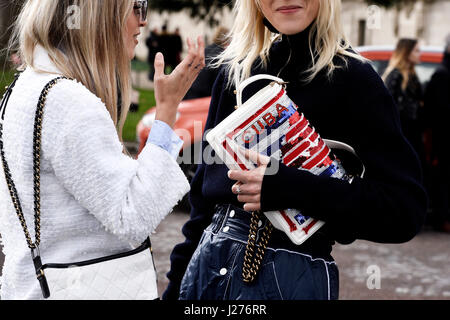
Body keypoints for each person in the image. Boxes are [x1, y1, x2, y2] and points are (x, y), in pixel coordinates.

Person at [163, 0, 427, 300]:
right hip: (205, 276)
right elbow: (202, 208)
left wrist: (291, 188)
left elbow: (404, 211)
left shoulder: (354, 79)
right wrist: (174, 289)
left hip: (292, 278)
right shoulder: (235, 72)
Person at [0, 0, 204, 300]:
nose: (142, 21)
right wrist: (167, 113)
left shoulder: (26, 87)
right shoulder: (68, 102)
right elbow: (132, 216)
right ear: (99, 14)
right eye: (136, 7)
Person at [383, 38, 425, 164]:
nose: (420, 54)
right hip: (403, 135)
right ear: (407, 53)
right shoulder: (395, 75)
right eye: (416, 51)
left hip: (413, 134)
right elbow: (390, 107)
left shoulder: (412, 75)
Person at [424, 34, 450, 233]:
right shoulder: (442, 74)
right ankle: (442, 218)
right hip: (443, 140)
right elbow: (439, 112)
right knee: (443, 180)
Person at [183, 26, 230, 100]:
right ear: (227, 41)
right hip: (203, 97)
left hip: (188, 93)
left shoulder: (206, 50)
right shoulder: (221, 56)